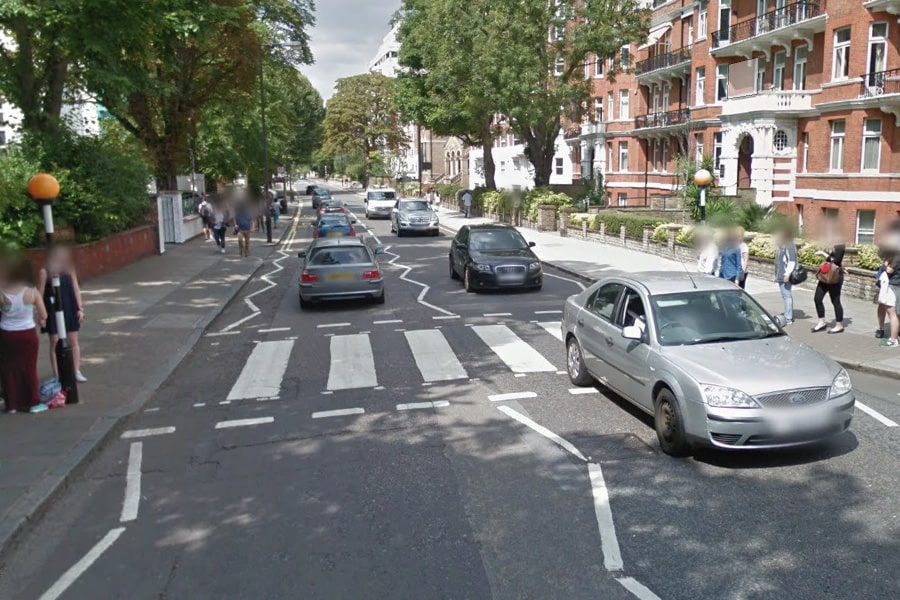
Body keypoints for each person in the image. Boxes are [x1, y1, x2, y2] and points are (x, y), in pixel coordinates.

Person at [0, 258, 48, 413]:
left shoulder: (2, 292)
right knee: (29, 368)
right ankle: (33, 402)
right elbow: (44, 314)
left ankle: (12, 404)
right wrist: (39, 318)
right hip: (27, 333)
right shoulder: (32, 292)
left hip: (7, 334)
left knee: (8, 368)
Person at [37, 246, 86, 382]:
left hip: (69, 307)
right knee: (55, 341)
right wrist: (41, 315)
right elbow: (39, 294)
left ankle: (76, 371)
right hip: (53, 310)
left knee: (73, 340)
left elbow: (76, 289)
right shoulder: (44, 272)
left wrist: (80, 308)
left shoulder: (69, 270)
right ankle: (57, 374)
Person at [811, 224, 846, 334]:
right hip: (826, 276)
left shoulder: (840, 244)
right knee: (817, 298)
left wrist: (823, 253)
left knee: (835, 301)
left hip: (835, 277)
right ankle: (822, 322)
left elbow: (836, 261)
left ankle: (839, 325)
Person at [775, 225, 797, 325]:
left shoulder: (789, 245)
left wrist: (787, 274)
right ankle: (787, 314)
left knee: (787, 296)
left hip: (785, 275)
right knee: (785, 296)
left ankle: (788, 317)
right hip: (781, 274)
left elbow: (792, 261)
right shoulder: (783, 245)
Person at [878, 259, 899, 347]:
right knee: (898, 312)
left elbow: (889, 270)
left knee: (892, 312)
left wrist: (885, 265)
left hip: (894, 284)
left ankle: (893, 339)